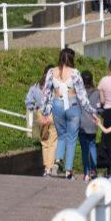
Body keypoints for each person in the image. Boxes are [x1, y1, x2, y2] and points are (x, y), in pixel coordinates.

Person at [40, 49, 97, 180]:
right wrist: (92, 112)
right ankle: (68, 172)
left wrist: (45, 111)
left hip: (57, 105)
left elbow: (46, 93)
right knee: (71, 139)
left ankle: (58, 160)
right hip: (73, 106)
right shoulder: (75, 73)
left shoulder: (51, 72)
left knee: (61, 136)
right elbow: (82, 97)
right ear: (71, 59)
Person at [26, 64, 58, 176]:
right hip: (53, 114)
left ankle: (46, 169)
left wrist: (36, 108)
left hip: (40, 114)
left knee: (44, 142)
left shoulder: (35, 86)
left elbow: (28, 102)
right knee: (53, 142)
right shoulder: (55, 86)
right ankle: (50, 167)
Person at [78, 71, 102, 181]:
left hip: (81, 124)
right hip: (93, 123)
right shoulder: (97, 93)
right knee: (92, 146)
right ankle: (94, 171)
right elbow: (99, 108)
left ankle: (86, 173)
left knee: (84, 149)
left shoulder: (78, 93)